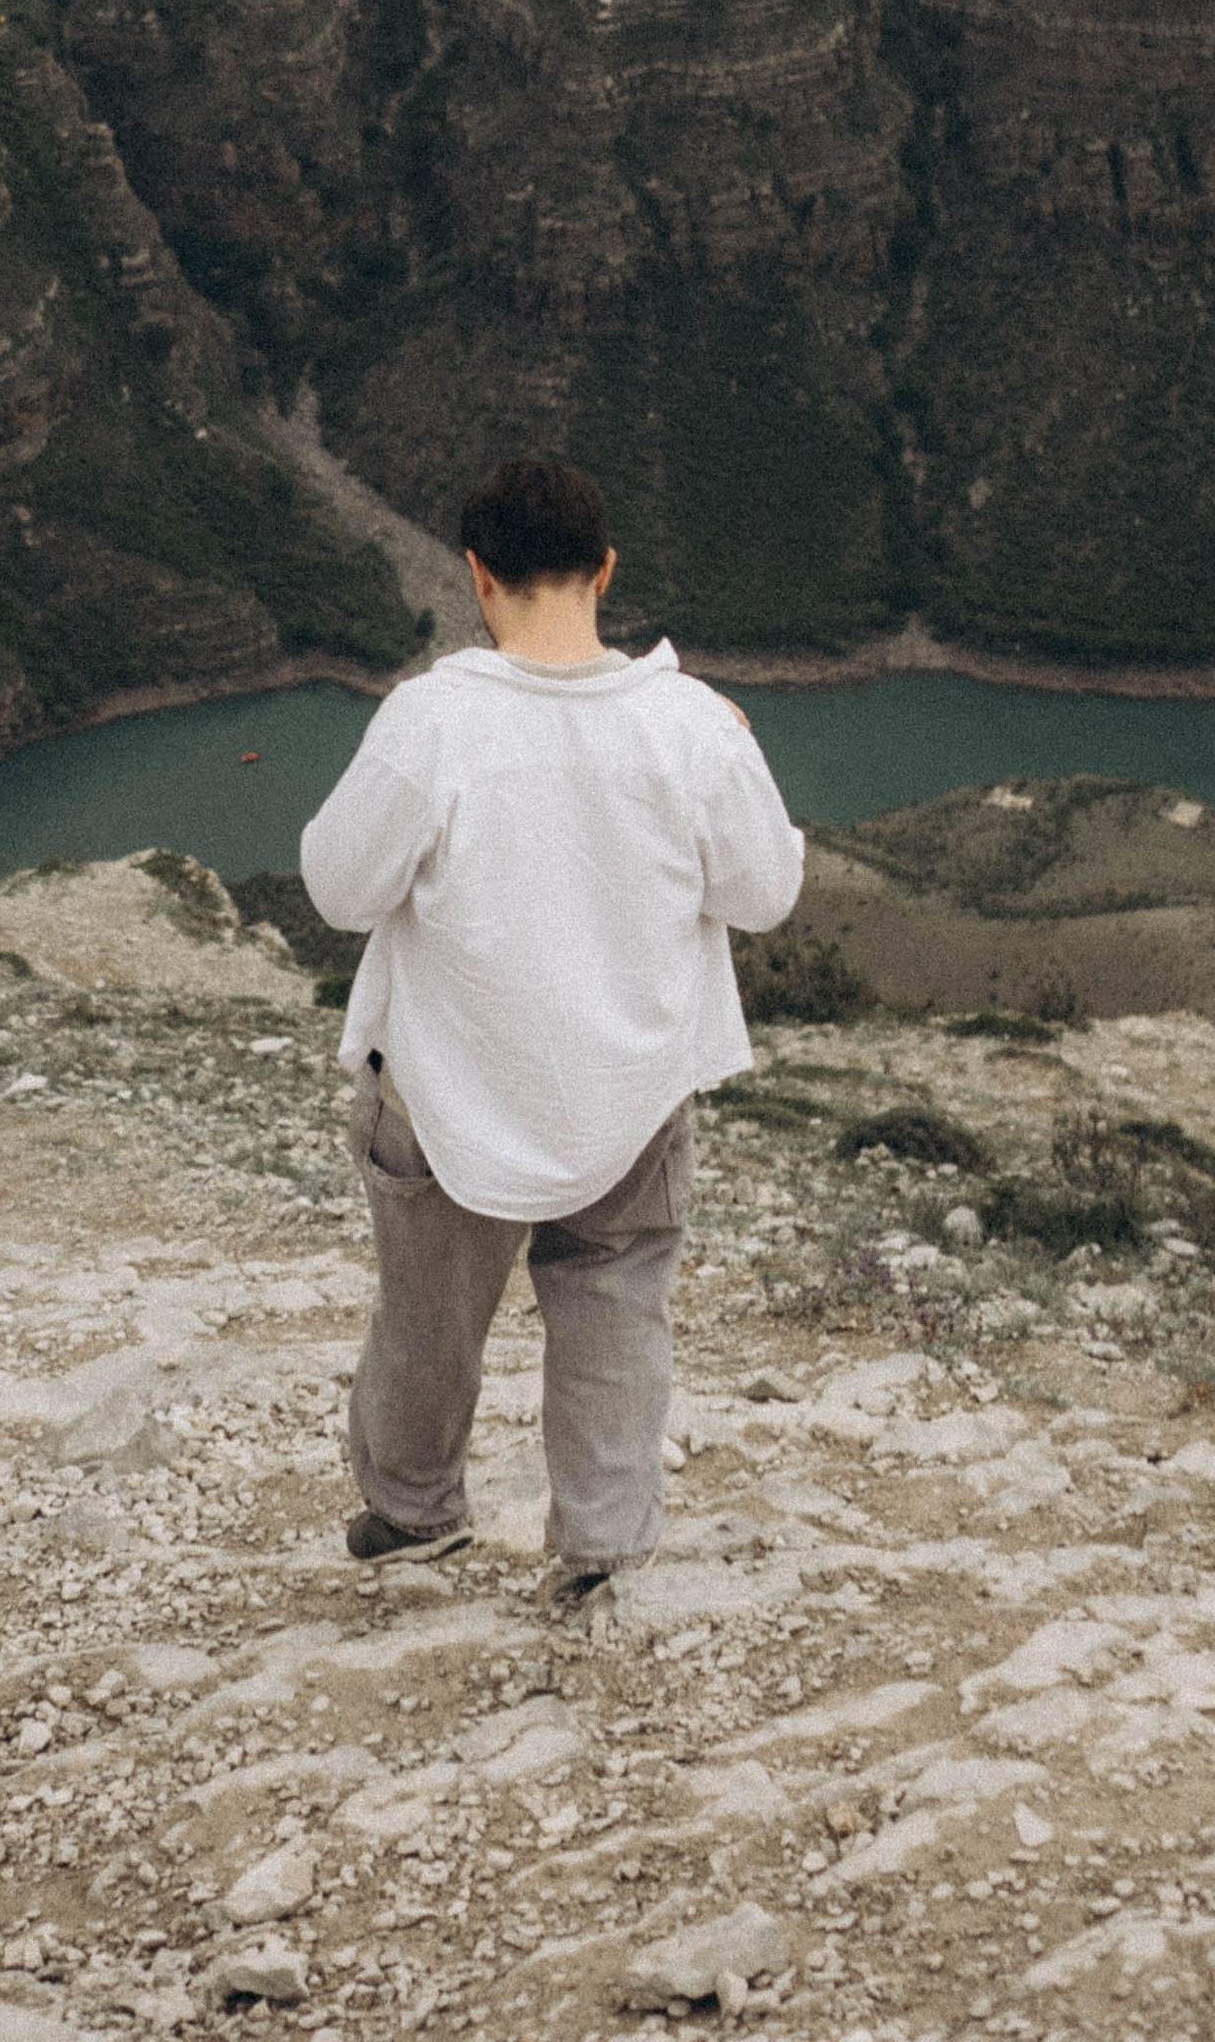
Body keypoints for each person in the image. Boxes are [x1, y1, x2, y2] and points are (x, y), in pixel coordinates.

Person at [299, 451, 805, 1618]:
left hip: (442, 1089)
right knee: (615, 1305)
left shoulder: (432, 720)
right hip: (629, 1093)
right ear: (606, 570)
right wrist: (730, 741)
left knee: (427, 1313)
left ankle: (412, 1515)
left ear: (477, 576)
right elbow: (766, 891)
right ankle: (599, 1549)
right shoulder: (689, 724)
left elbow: (336, 885)